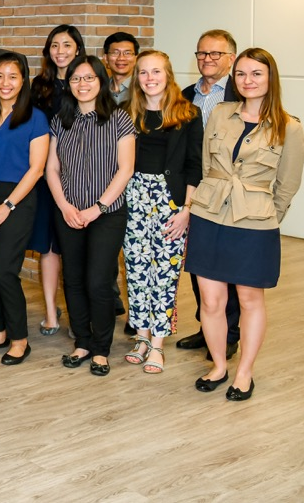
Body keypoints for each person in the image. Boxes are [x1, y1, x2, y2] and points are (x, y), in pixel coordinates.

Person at [189, 48, 304, 401]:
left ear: (270, 79)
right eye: (241, 74)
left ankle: (244, 372)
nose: (247, 81)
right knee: (210, 300)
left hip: (253, 221)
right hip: (209, 213)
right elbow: (207, 162)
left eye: (256, 74)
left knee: (250, 298)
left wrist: (267, 216)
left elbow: (287, 186)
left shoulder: (291, 127)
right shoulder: (220, 114)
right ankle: (220, 366)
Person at [47, 55, 136, 377]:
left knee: (98, 281)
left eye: (89, 78)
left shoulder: (119, 119)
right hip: (68, 213)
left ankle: (101, 349)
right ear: (68, 84)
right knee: (72, 279)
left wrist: (96, 208)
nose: (82, 85)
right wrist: (65, 206)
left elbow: (125, 169)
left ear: (101, 81)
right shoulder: (61, 120)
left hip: (107, 213)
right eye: (76, 79)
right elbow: (52, 168)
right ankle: (82, 342)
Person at [121, 50, 202, 376]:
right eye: (143, 72)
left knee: (164, 275)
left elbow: (196, 165)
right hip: (134, 197)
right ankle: (140, 337)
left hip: (171, 202)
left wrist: (187, 210)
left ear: (168, 74)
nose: (150, 78)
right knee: (136, 270)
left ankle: (157, 344)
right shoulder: (127, 112)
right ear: (137, 78)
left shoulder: (188, 114)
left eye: (156, 71)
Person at [0, 52, 49, 366]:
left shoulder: (35, 117)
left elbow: (36, 169)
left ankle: (20, 339)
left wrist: (6, 204)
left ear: (23, 81)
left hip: (18, 199)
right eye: (0, 75)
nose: (5, 82)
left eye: (13, 76)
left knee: (4, 268)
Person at [177, 28, 241, 358]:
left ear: (231, 58)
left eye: (215, 54)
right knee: (198, 263)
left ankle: (229, 333)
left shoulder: (241, 94)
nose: (207, 59)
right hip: (193, 189)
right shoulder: (186, 95)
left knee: (226, 267)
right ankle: (207, 327)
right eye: (202, 53)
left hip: (226, 192)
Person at [27, 23, 85, 337]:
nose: (60, 51)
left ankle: (80, 315)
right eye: (54, 45)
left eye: (66, 45)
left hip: (80, 177)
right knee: (49, 248)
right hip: (45, 176)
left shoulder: (88, 82)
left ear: (78, 48)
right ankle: (51, 312)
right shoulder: (39, 85)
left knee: (74, 249)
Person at [103, 31, 139, 106]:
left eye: (127, 53)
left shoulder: (142, 88)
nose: (121, 58)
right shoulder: (99, 90)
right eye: (115, 53)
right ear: (106, 58)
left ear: (136, 58)